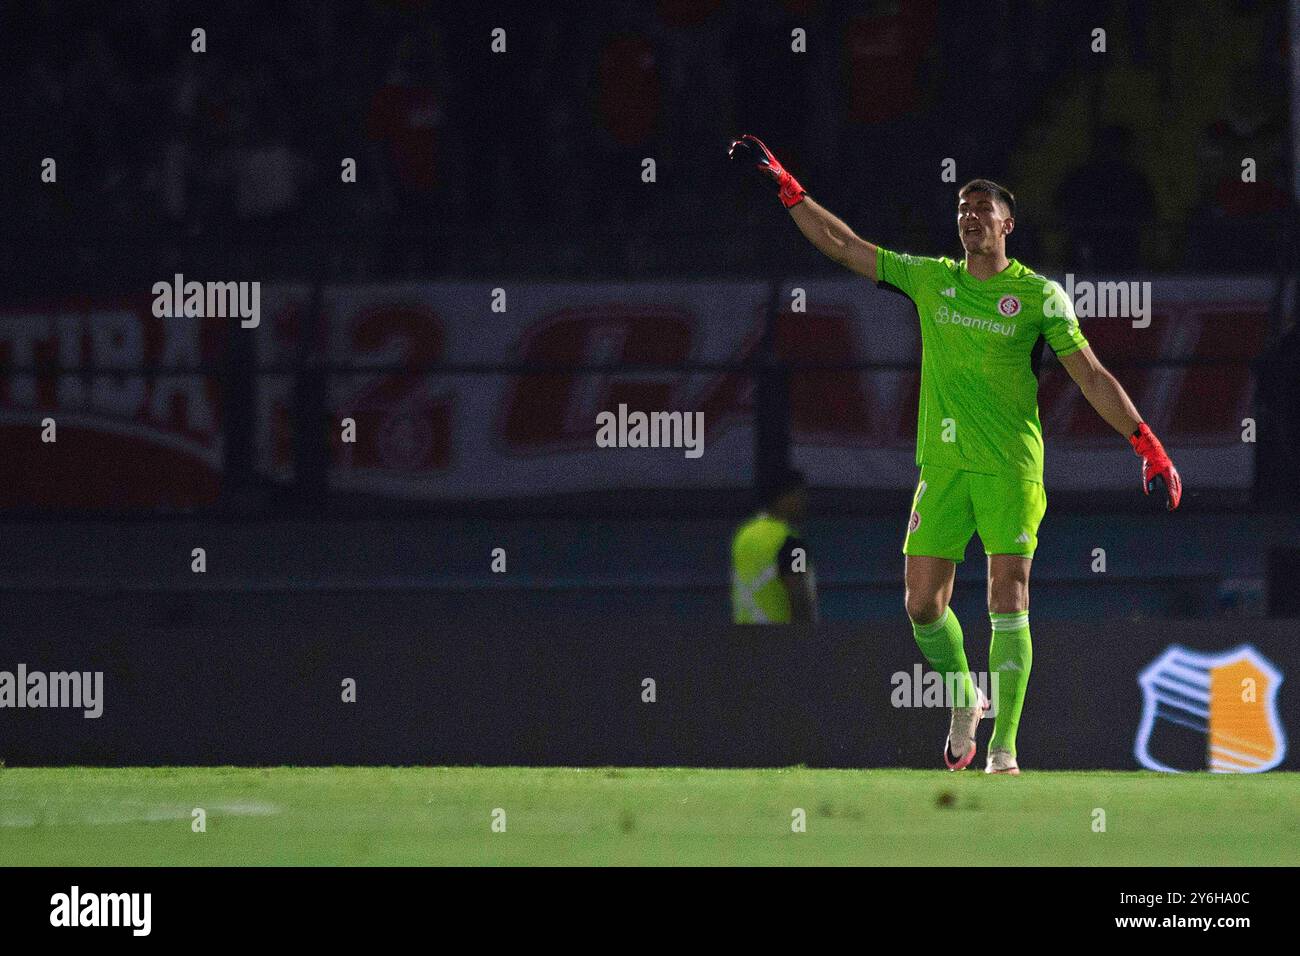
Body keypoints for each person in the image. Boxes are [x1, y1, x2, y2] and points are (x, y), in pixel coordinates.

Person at [729, 135, 1181, 774]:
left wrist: (1146, 441)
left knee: (1008, 594)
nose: (969, 217)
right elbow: (844, 245)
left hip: (1010, 468)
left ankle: (1004, 748)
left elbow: (1090, 375)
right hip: (942, 468)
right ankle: (965, 701)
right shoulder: (932, 279)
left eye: (982, 210)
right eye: (962, 209)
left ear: (1008, 224)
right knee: (921, 606)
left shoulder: (1039, 297)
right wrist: (786, 185)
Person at [731, 468, 818, 625]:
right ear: (783, 499)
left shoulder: (743, 535)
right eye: (800, 495)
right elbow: (799, 597)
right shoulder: (791, 542)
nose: (805, 502)